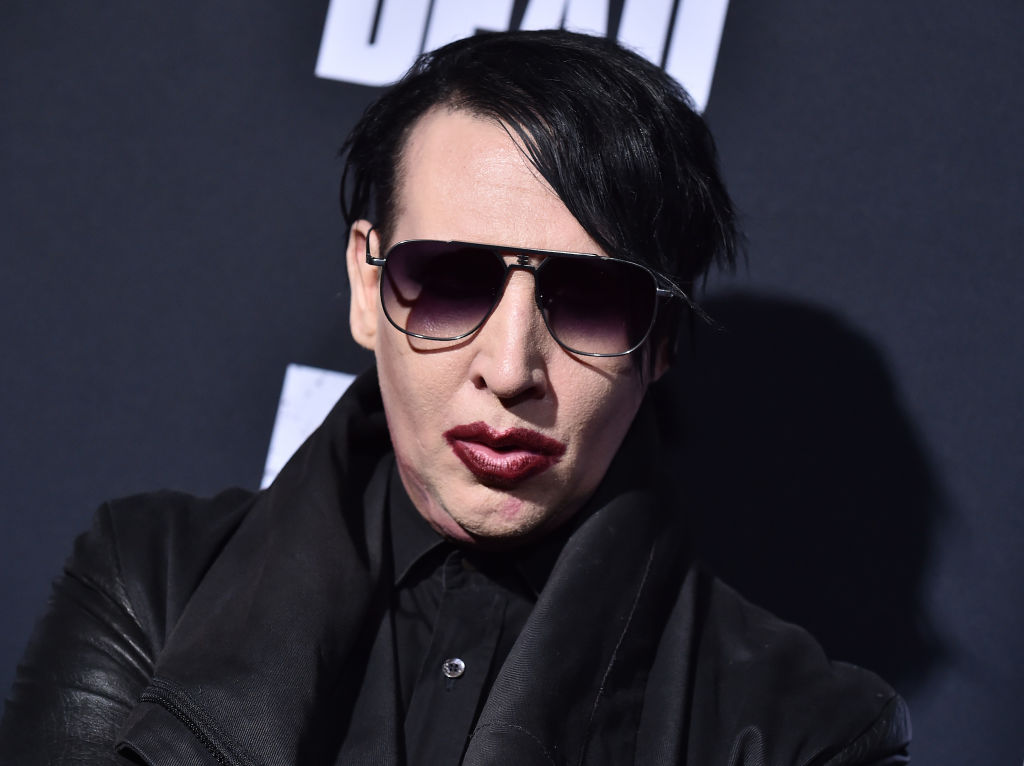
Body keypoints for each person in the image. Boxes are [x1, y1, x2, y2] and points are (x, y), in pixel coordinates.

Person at [0, 29, 910, 765]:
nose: (510, 368)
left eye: (591, 300)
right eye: (452, 281)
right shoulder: (151, 582)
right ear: (368, 291)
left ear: (661, 342)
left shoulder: (801, 733)